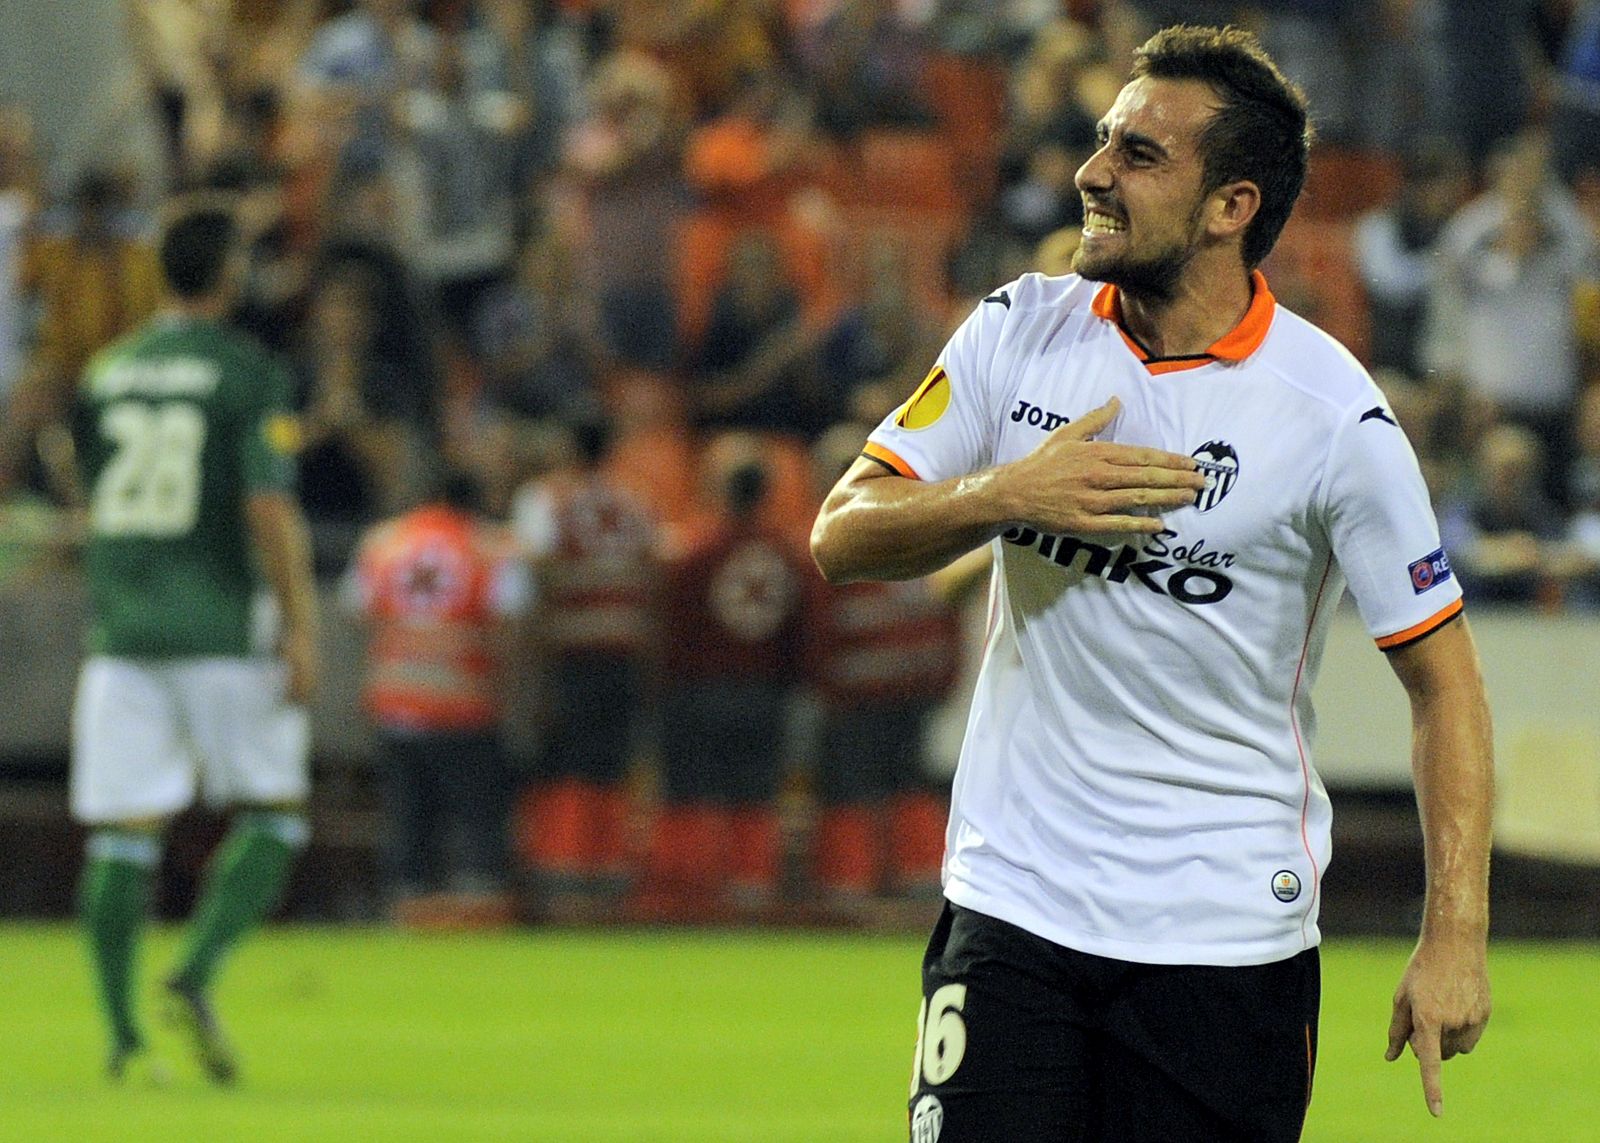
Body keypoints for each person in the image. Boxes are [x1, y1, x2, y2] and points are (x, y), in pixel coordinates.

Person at [810, 26, 1493, 1142]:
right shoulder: (1015, 332)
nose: (1091, 173)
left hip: (1223, 939)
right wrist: (1008, 494)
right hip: (1012, 909)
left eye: (1138, 155)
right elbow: (843, 532)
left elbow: (1445, 683)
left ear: (1230, 206)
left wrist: (1453, 933)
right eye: (1101, 142)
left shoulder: (1331, 417)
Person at [67, 200, 320, 1085]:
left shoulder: (107, 370)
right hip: (219, 623)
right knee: (275, 813)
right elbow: (266, 506)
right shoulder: (247, 373)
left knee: (121, 836)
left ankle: (125, 1041)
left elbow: (91, 486)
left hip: (124, 627)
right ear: (229, 275)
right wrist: (299, 623)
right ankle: (197, 969)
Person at [343, 464, 531, 924]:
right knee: (475, 823)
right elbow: (512, 623)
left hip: (397, 707)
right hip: (466, 708)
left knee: (407, 822)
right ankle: (476, 915)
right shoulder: (493, 548)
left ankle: (404, 913)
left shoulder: (382, 543)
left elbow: (357, 613)